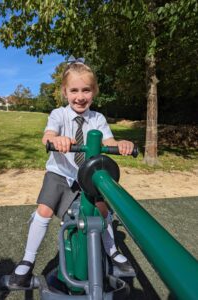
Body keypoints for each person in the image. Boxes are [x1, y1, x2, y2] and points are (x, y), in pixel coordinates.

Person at [9, 59, 135, 288]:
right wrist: (55, 139)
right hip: (60, 172)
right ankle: (28, 259)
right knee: (44, 209)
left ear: (94, 92)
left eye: (86, 90)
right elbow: (47, 136)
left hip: (86, 175)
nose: (80, 96)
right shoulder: (59, 114)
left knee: (102, 208)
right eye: (74, 90)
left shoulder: (98, 119)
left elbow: (109, 141)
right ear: (65, 92)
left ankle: (112, 250)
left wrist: (122, 144)